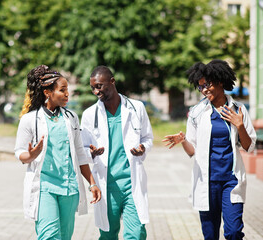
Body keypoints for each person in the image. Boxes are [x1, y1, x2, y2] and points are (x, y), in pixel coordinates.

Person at [163, 60, 257, 240]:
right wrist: (183, 141)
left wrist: (240, 126)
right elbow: (192, 151)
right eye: (200, 87)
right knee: (210, 235)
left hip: (231, 180)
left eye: (207, 84)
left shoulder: (238, 109)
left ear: (220, 81)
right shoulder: (197, 112)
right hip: (206, 181)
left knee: (234, 232)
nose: (204, 90)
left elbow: (249, 146)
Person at [14, 65, 101, 240]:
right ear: (48, 92)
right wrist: (32, 155)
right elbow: (20, 153)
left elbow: (79, 154)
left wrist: (92, 183)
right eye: (62, 90)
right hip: (45, 187)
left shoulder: (71, 118)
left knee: (64, 236)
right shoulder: (30, 120)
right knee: (49, 236)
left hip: (69, 187)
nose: (67, 94)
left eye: (67, 90)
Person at [80, 66, 153, 240]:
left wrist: (143, 148)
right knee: (108, 235)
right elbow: (82, 149)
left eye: (99, 86)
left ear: (112, 81)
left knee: (136, 234)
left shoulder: (136, 108)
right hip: (107, 185)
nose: (96, 91)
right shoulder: (90, 115)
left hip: (131, 182)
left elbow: (148, 138)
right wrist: (92, 152)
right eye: (93, 88)